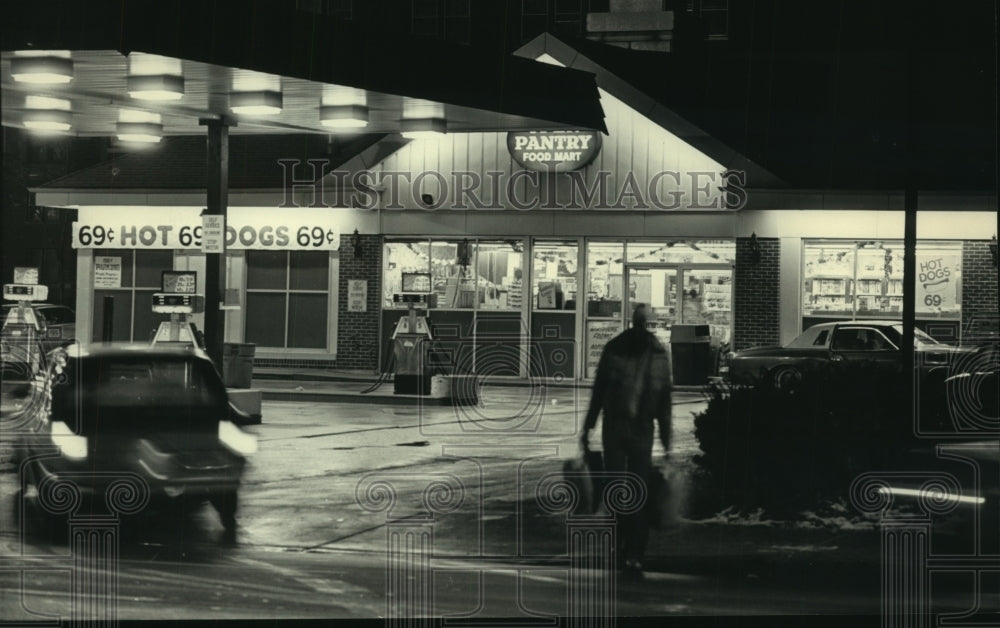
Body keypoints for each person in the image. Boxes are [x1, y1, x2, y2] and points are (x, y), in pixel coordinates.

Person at [581, 303, 672, 579]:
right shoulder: (658, 352)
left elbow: (599, 390)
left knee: (617, 488)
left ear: (632, 321)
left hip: (616, 428)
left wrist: (588, 426)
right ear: (649, 323)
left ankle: (622, 548)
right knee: (639, 491)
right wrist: (667, 440)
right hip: (641, 429)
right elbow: (664, 399)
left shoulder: (615, 347)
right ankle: (635, 553)